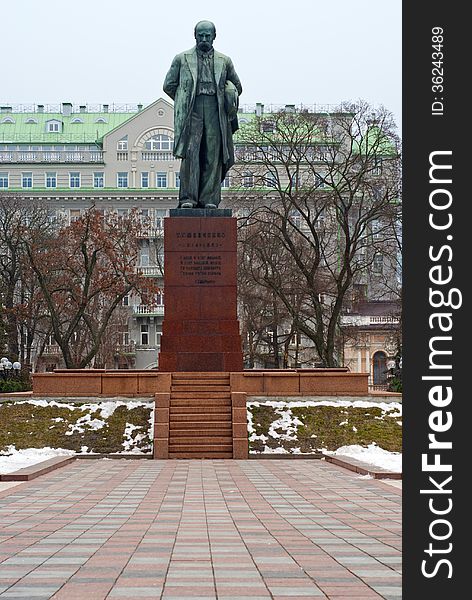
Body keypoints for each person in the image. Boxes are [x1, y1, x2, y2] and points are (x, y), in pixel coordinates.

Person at [163, 20, 242, 209]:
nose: (204, 39)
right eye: (201, 36)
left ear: (214, 36)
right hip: (193, 109)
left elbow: (237, 85)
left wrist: (229, 92)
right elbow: (168, 85)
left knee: (212, 154)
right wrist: (184, 98)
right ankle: (188, 199)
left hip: (215, 109)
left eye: (208, 35)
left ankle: (209, 199)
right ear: (195, 36)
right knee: (191, 153)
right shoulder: (181, 59)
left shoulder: (225, 60)